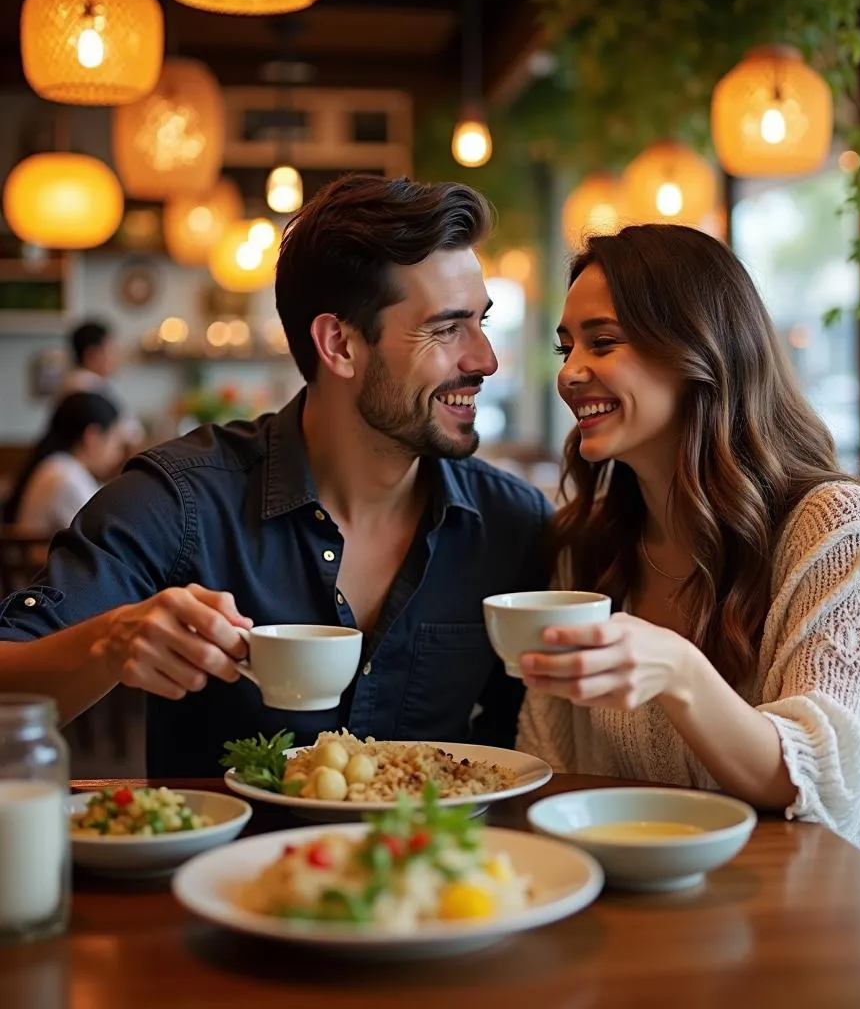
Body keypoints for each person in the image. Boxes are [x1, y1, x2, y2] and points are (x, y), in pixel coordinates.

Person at [0, 174, 550, 776]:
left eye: (482, 323)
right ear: (339, 344)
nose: (485, 360)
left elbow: (523, 745)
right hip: (217, 869)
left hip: (442, 865)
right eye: (446, 329)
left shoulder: (512, 525)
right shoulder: (183, 501)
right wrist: (111, 642)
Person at [515, 224, 860, 913]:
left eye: (603, 342)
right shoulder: (590, 546)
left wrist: (678, 669)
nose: (571, 371)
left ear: (698, 350)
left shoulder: (834, 526)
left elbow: (830, 789)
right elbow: (554, 768)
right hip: (677, 903)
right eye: (566, 345)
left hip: (853, 901)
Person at [3, 392, 123, 535]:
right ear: (93, 437)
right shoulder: (65, 476)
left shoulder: (58, 466)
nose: (118, 454)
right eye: (115, 442)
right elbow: (101, 536)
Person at [55, 318, 142, 447]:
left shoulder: (89, 382)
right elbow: (126, 432)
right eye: (111, 350)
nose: (117, 357)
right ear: (91, 354)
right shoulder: (84, 386)